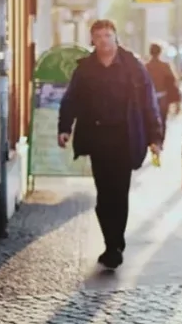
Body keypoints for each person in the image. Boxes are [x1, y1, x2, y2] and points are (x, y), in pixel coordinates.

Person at [57, 19, 164, 270]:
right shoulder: (85, 69)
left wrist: (155, 138)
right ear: (92, 40)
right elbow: (70, 99)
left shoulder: (133, 67)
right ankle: (111, 242)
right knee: (104, 195)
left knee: (119, 193)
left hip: (125, 138)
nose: (104, 40)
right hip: (97, 139)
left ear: (116, 37)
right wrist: (64, 128)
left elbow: (149, 103)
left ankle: (115, 245)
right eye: (99, 36)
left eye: (108, 35)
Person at [145, 43, 182, 136]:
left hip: (148, 98)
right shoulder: (165, 66)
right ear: (160, 52)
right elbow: (173, 83)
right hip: (163, 98)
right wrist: (177, 103)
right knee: (162, 120)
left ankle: (152, 140)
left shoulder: (145, 67)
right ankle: (160, 141)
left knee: (149, 121)